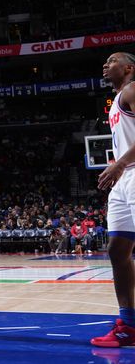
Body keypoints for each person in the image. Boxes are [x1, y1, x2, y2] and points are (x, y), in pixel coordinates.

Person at [91, 52, 135, 347]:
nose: (106, 65)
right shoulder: (119, 97)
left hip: (132, 170)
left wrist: (119, 163)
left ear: (129, 67)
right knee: (117, 250)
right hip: (125, 179)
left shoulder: (133, 89)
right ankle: (129, 326)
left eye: (113, 61)